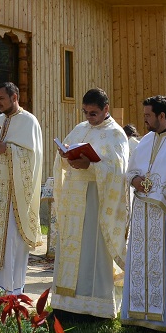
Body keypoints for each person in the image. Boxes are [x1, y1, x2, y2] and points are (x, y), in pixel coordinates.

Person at [51, 88, 129, 318]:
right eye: (85, 112)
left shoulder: (116, 134)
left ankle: (93, 306)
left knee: (91, 250)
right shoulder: (80, 129)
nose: (88, 117)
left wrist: (92, 166)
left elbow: (118, 170)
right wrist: (64, 156)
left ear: (106, 109)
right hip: (75, 198)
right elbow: (65, 155)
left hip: (97, 201)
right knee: (71, 248)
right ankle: (66, 303)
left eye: (93, 113)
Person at [122, 94, 166, 332]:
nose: (144, 120)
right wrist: (135, 180)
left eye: (148, 115)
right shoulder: (145, 141)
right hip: (143, 213)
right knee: (140, 264)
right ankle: (137, 315)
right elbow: (130, 170)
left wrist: (154, 184)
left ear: (161, 115)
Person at [0, 82, 43, 296]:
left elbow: (33, 157)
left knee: (11, 241)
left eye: (1, 99)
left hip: (15, 194)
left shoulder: (29, 121)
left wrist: (9, 149)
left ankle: (10, 290)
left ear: (15, 97)